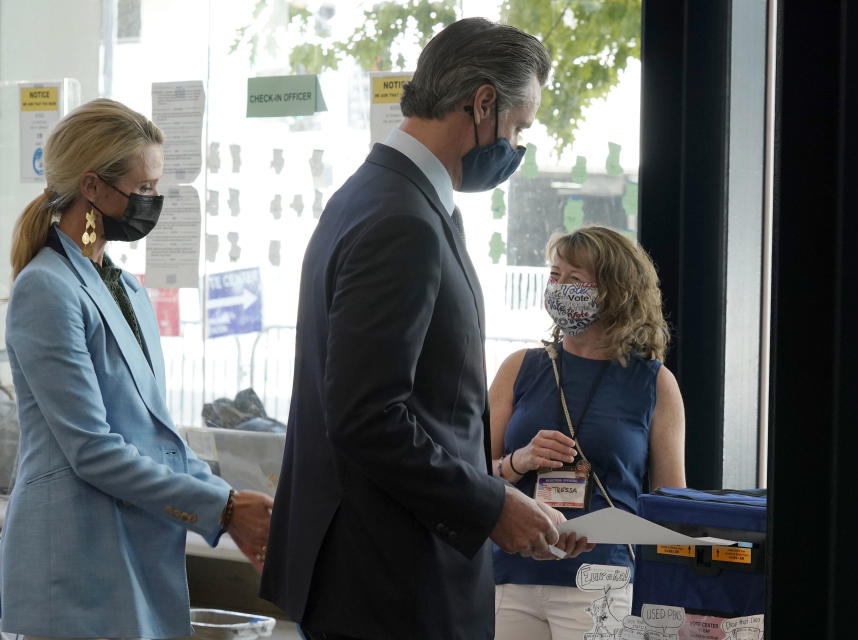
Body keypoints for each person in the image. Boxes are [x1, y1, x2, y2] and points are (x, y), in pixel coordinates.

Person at [260, 18, 581, 640]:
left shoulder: (377, 195)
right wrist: (491, 505)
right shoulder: (400, 219)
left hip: (377, 572)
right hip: (391, 582)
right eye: (518, 128)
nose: (516, 147)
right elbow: (366, 415)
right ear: (482, 102)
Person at [1, 98, 274, 639]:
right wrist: (222, 508)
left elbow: (154, 437)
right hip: (77, 562)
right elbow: (93, 449)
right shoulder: (45, 289)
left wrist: (229, 503)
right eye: (143, 188)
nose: (153, 201)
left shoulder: (125, 289)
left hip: (129, 549)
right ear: (94, 187)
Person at [489, 226, 687, 640]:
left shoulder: (654, 383)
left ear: (615, 293)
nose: (557, 288)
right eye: (554, 275)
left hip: (603, 584)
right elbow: (470, 476)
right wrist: (516, 462)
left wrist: (671, 604)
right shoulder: (518, 368)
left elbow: (672, 506)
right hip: (510, 575)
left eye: (574, 279)